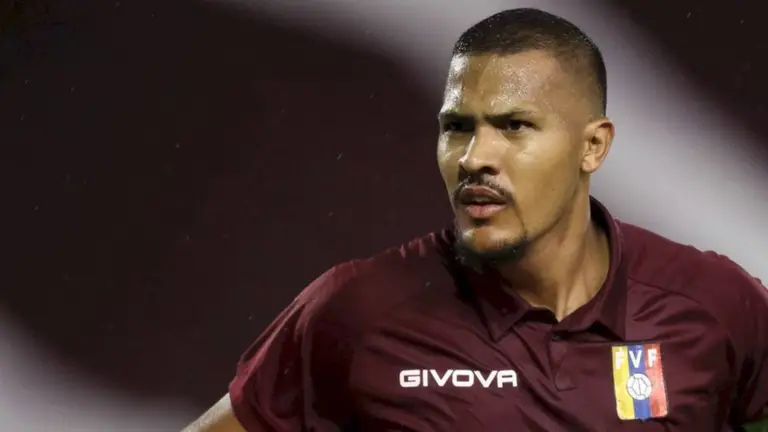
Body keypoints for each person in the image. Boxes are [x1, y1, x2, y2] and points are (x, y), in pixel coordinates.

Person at [183, 8, 768, 432]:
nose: (473, 157)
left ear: (593, 146)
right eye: (457, 127)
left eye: (514, 126)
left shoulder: (715, 303)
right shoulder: (358, 309)